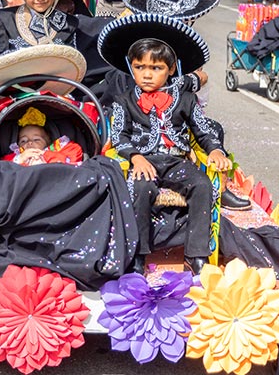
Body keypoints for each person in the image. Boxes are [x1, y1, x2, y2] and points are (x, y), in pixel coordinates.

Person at [99, 15, 232, 275]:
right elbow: (118, 136)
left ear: (171, 69)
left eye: (156, 68)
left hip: (176, 161)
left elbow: (202, 130)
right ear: (131, 67)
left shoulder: (185, 98)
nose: (147, 75)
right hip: (143, 161)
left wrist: (215, 149)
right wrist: (135, 157)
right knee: (140, 187)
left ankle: (197, 255)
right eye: (140, 67)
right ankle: (138, 254)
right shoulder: (123, 100)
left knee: (202, 185)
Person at [1, 107, 83, 166]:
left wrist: (45, 155)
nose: (29, 142)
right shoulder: (17, 156)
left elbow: (74, 155)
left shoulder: (57, 150)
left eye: (36, 139)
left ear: (48, 142)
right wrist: (20, 159)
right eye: (23, 141)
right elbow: (2, 168)